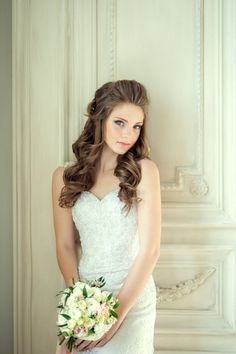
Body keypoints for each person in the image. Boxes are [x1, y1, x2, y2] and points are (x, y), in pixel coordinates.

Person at [52, 79, 162, 353]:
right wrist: (78, 300)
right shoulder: (64, 177)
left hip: (133, 297)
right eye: (120, 122)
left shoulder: (144, 171)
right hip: (86, 295)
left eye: (136, 126)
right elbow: (65, 246)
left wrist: (116, 315)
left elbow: (150, 250)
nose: (129, 134)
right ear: (100, 119)